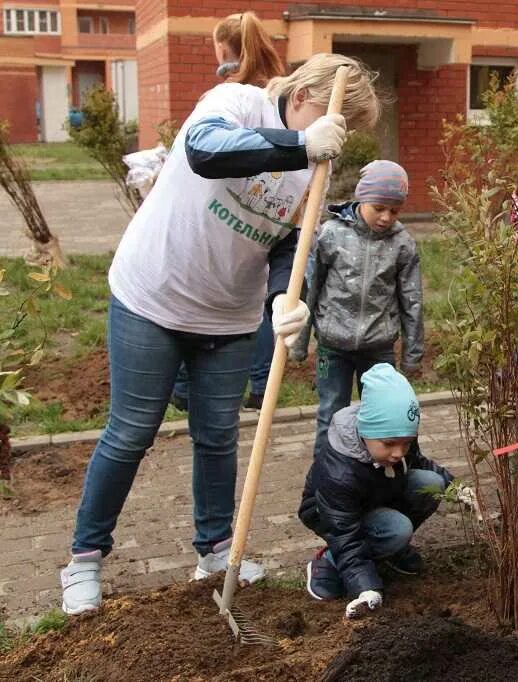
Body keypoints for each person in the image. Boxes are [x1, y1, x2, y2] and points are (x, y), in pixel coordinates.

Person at [58, 53, 381, 616]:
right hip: (152, 296)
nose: (340, 136)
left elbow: (285, 244)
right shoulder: (236, 103)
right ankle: (84, 559)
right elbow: (205, 152)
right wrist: (298, 146)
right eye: (340, 121)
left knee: (217, 438)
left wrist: (286, 293)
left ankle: (213, 549)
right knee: (132, 432)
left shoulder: (315, 164)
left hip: (228, 318)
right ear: (305, 96)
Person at [171, 11, 288, 413]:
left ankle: (185, 391)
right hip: (261, 230)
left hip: (214, 243)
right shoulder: (277, 97)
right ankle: (258, 386)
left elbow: (204, 151)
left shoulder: (228, 96)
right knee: (260, 306)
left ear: (223, 49)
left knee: (199, 308)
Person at [291, 160, 424, 456]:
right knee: (330, 414)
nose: (386, 217)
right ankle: (323, 481)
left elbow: (412, 301)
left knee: (383, 418)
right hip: (332, 345)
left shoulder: (403, 244)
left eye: (395, 210)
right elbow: (311, 289)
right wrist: (300, 342)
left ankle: (374, 478)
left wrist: (412, 355)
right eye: (379, 207)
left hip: (378, 348)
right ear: (361, 197)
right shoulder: (331, 235)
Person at [299, 364, 453, 618]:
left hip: (375, 496)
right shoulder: (340, 472)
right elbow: (344, 532)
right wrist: (367, 589)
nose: (398, 452)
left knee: (431, 484)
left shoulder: (397, 440)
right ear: (365, 431)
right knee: (396, 528)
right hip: (332, 516)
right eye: (390, 444)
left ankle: (389, 548)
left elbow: (419, 462)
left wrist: (456, 487)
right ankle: (328, 562)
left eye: (406, 443)